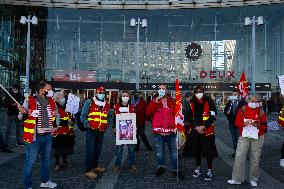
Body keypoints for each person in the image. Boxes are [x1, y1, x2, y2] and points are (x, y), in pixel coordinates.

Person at [18, 80, 59, 189]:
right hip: (34, 137)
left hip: (48, 136)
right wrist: (23, 112)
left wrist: (55, 126)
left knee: (47, 160)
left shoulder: (51, 101)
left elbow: (56, 115)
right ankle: (27, 186)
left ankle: (45, 181)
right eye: (49, 89)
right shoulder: (30, 100)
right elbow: (20, 117)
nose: (51, 91)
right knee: (30, 161)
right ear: (41, 90)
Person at [228, 94, 267, 187]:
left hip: (258, 137)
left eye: (255, 102)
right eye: (251, 101)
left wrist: (258, 125)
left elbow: (265, 127)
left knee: (255, 158)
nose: (253, 103)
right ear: (248, 101)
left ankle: (253, 179)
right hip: (244, 136)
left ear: (259, 102)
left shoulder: (261, 111)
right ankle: (237, 178)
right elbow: (237, 123)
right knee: (239, 156)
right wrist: (245, 123)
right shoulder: (243, 109)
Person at [146, 84, 184, 179]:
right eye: (160, 89)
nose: (162, 90)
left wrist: (179, 125)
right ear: (158, 90)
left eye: (164, 88)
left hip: (171, 132)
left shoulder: (172, 101)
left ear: (167, 91)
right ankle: (161, 166)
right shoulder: (154, 101)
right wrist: (155, 102)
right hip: (158, 132)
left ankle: (175, 169)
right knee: (160, 152)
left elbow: (177, 114)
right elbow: (148, 113)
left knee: (174, 152)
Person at [185, 86, 218, 181]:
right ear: (194, 93)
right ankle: (198, 168)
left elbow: (212, 116)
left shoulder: (209, 101)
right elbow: (189, 117)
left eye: (200, 91)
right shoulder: (191, 102)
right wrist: (196, 127)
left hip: (207, 130)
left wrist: (204, 126)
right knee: (197, 150)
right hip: (196, 130)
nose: (198, 93)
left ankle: (209, 170)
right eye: (197, 92)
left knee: (208, 151)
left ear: (203, 92)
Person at [80, 86, 110, 179]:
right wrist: (88, 125)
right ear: (96, 93)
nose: (102, 94)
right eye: (100, 92)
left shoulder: (106, 104)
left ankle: (95, 166)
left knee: (98, 149)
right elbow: (83, 116)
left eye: (103, 93)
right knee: (91, 150)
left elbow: (108, 116)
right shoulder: (89, 102)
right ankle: (88, 170)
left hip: (101, 131)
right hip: (91, 130)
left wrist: (106, 125)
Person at [113, 91, 137, 172]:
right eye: (123, 95)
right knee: (119, 149)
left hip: (130, 131)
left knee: (131, 149)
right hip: (120, 131)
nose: (125, 97)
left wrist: (135, 127)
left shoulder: (132, 106)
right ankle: (117, 164)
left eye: (127, 95)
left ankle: (132, 164)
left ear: (129, 97)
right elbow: (114, 118)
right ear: (121, 97)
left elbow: (134, 118)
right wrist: (114, 127)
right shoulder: (116, 106)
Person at [52, 92, 75, 172]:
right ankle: (57, 164)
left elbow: (72, 117)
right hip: (58, 133)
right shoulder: (54, 107)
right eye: (62, 97)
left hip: (67, 132)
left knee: (66, 148)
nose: (63, 98)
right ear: (57, 98)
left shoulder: (67, 107)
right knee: (57, 149)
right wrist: (66, 122)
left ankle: (65, 162)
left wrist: (72, 121)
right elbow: (53, 120)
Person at [224, 89, 246, 158]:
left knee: (240, 138)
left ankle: (241, 153)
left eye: (235, 95)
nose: (234, 96)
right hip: (231, 123)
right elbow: (225, 110)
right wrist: (227, 112)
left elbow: (245, 111)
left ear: (239, 95)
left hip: (240, 123)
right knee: (234, 139)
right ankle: (236, 152)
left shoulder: (243, 102)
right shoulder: (230, 102)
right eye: (233, 95)